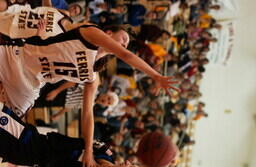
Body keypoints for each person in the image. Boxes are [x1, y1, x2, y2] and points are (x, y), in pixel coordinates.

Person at [0, 22, 179, 167]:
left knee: (11, 121)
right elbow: (126, 55)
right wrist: (156, 76)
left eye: (126, 43)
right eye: (123, 38)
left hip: (30, 84)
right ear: (108, 33)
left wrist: (89, 151)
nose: (124, 44)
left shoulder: (93, 78)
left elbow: (87, 114)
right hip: (17, 58)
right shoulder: (90, 34)